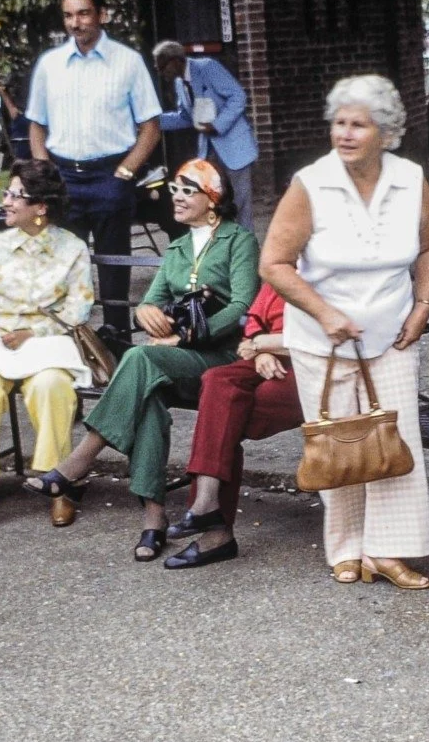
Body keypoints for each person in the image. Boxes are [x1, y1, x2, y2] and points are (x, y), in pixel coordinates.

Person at [261, 75, 429, 589]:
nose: (344, 133)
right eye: (339, 123)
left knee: (393, 442)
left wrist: (422, 307)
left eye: (358, 125)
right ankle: (345, 548)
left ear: (385, 133)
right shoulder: (310, 184)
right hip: (324, 340)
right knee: (340, 447)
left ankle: (386, 552)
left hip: (392, 335)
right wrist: (324, 314)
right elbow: (274, 263)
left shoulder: (410, 180)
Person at [27, 159, 260, 560]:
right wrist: (145, 314)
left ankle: (80, 460)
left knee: (139, 357)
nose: (177, 197)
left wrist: (184, 336)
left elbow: (242, 306)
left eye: (188, 190)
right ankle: (154, 520)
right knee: (146, 394)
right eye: (174, 190)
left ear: (213, 199)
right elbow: (150, 302)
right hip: (173, 360)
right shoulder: (177, 248)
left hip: (222, 361)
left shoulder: (238, 241)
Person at [0, 159, 94, 531]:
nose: (6, 202)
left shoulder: (72, 248)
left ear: (41, 207)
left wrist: (33, 333)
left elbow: (78, 308)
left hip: (47, 345)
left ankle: (57, 481)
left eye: (15, 195)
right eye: (7, 193)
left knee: (52, 386)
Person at [25, 0, 162, 329]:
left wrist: (125, 173)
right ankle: (70, 347)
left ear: (102, 14)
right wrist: (45, 175)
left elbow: (150, 127)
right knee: (63, 271)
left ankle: (117, 344)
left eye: (84, 13)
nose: (76, 23)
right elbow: (36, 126)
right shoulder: (50, 65)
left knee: (114, 272)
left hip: (110, 178)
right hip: (64, 179)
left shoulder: (128, 62)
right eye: (69, 15)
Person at [163, 282, 299, 569]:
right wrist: (261, 352)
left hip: (312, 364)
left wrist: (261, 346)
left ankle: (216, 531)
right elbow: (253, 320)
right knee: (216, 380)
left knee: (223, 418)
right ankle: (207, 505)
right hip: (267, 356)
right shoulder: (280, 269)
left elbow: (321, 336)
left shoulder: (329, 269)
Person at [154, 41, 259, 226]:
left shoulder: (207, 67)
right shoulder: (180, 83)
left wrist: (217, 125)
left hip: (235, 147)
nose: (162, 72)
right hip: (209, 152)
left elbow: (238, 97)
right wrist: (152, 122)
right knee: (215, 203)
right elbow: (185, 117)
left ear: (176, 60)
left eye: (163, 66)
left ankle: (245, 243)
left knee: (240, 204)